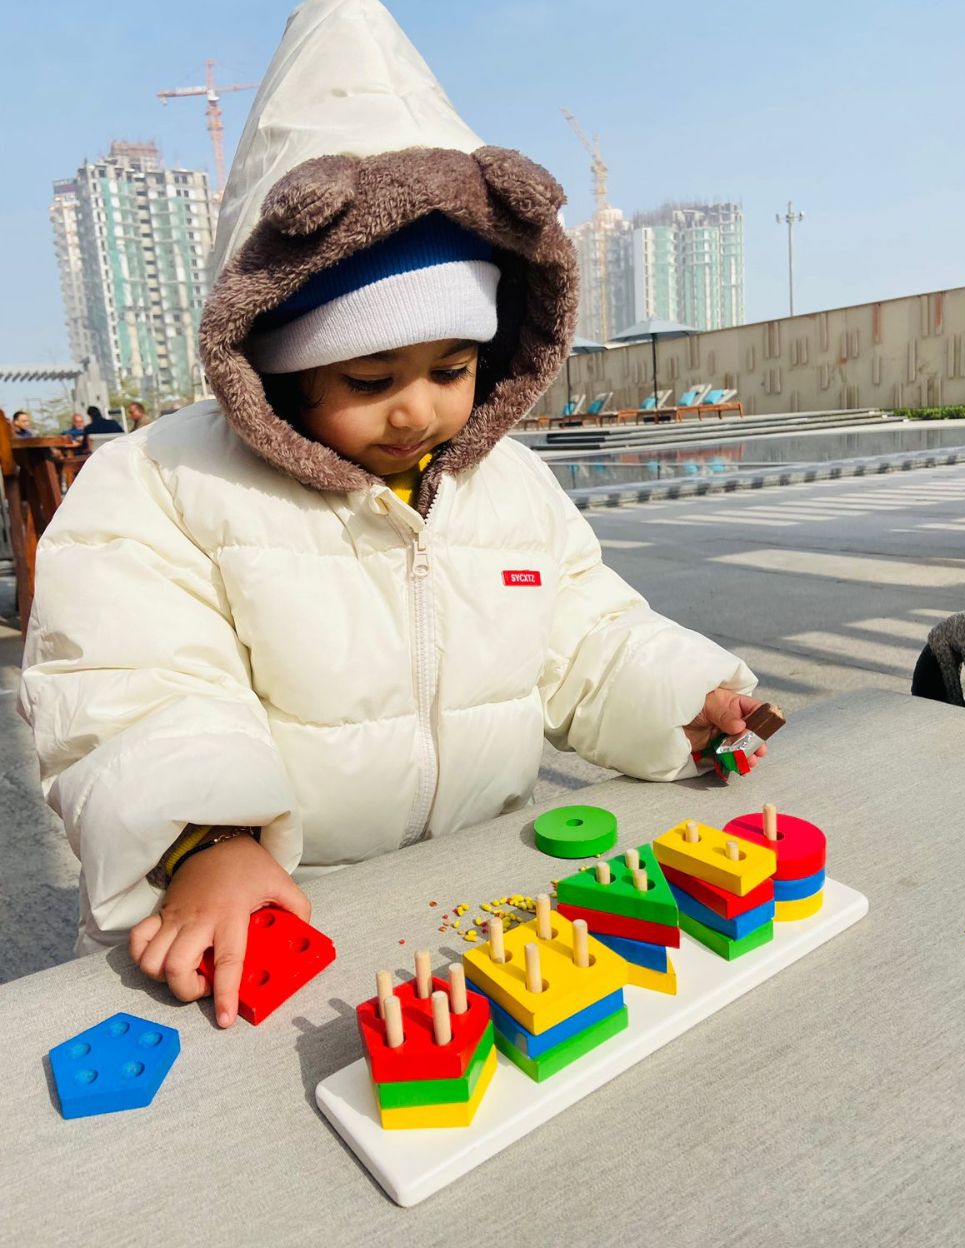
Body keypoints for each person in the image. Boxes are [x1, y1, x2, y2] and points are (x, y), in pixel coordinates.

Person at [19, 0, 765, 1029]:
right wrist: (211, 842)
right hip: (273, 904)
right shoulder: (166, 481)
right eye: (370, 377)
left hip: (474, 894)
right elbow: (137, 683)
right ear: (274, 366)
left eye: (453, 368)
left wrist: (684, 693)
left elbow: (583, 636)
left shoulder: (505, 485)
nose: (420, 408)